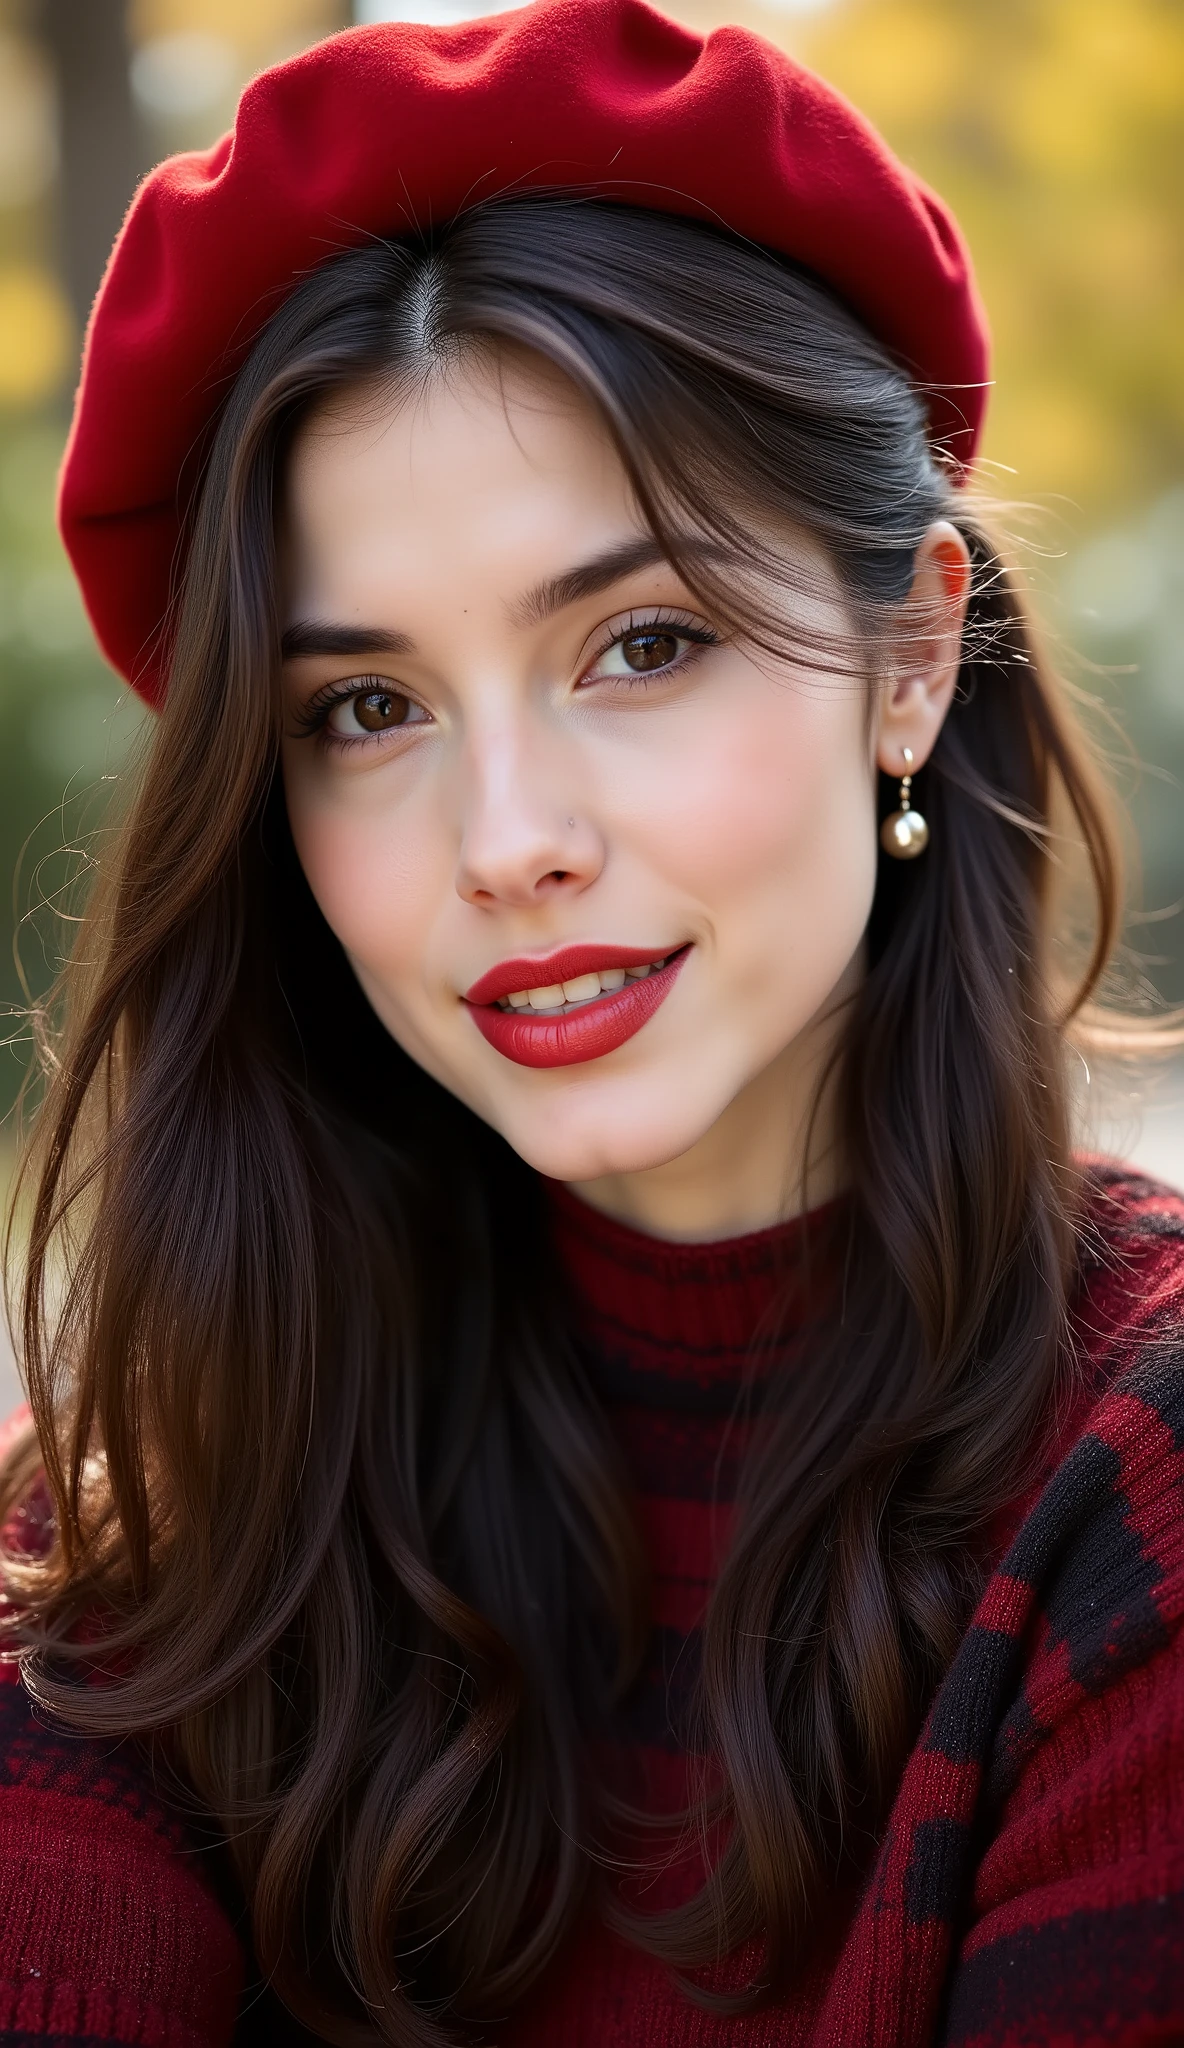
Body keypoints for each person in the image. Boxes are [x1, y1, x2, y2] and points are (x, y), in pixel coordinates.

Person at [2, 2, 1182, 2042]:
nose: (509, 839)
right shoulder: (146, 1520)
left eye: (639, 645)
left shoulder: (1136, 1481)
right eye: (364, 709)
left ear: (905, 658)